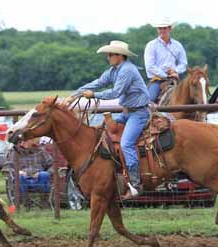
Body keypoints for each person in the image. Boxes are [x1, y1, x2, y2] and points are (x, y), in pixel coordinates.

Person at [64, 40, 150, 200]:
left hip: (138, 113)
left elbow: (116, 92)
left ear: (120, 56)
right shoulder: (114, 70)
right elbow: (97, 83)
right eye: (108, 55)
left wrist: (94, 95)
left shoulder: (127, 71)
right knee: (104, 132)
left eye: (110, 55)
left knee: (126, 144)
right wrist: (74, 95)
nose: (108, 57)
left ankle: (136, 183)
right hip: (127, 112)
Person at [144, 18, 188, 103]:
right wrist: (166, 75)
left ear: (170, 29)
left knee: (192, 96)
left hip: (175, 78)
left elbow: (183, 64)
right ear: (157, 30)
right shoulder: (151, 45)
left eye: (165, 28)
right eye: (160, 28)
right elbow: (150, 66)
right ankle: (146, 115)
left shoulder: (178, 45)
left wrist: (175, 71)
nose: (162, 30)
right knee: (150, 100)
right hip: (157, 80)